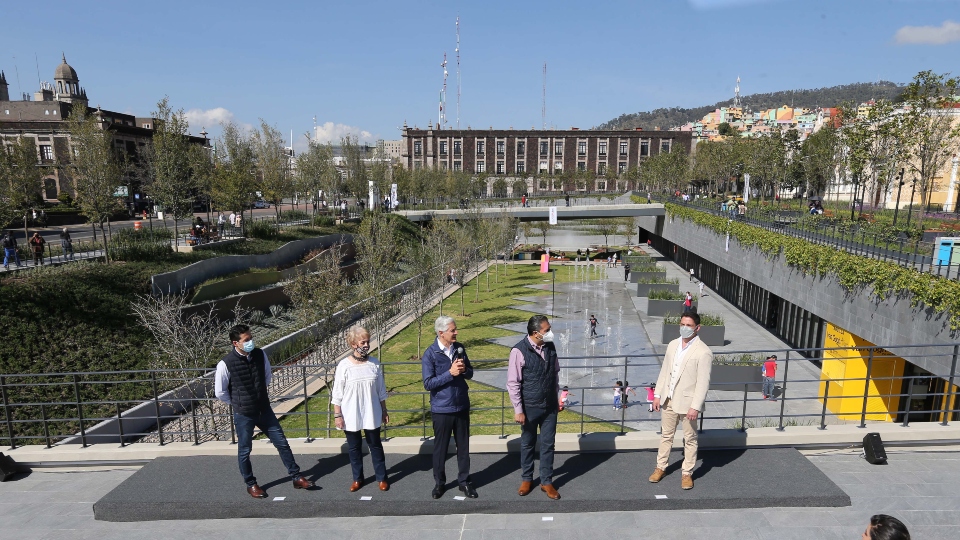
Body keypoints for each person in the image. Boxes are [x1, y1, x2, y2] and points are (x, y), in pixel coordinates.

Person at [214, 324, 315, 498]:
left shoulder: (260, 354)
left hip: (264, 410)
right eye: (246, 340)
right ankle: (251, 484)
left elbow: (267, 376)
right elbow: (220, 392)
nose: (250, 342)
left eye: (251, 338)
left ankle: (297, 477)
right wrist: (237, 403)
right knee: (245, 450)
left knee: (282, 443)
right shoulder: (225, 364)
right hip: (243, 414)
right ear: (235, 343)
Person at [649, 311, 713, 490]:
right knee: (665, 436)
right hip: (668, 400)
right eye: (682, 324)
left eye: (689, 325)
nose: (684, 328)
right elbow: (665, 371)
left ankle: (687, 473)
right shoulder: (672, 345)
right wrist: (657, 394)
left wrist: (695, 406)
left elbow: (703, 383)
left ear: (697, 328)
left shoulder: (703, 352)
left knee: (690, 439)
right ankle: (660, 467)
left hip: (688, 404)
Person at [421, 315, 477, 499]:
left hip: (461, 405)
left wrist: (463, 371)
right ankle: (439, 484)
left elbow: (470, 373)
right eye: (452, 330)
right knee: (440, 449)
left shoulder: (459, 348)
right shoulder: (430, 354)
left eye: (455, 329)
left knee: (464, 448)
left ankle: (464, 482)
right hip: (442, 409)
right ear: (441, 333)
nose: (456, 332)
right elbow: (428, 383)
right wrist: (450, 373)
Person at [507, 315, 562, 500]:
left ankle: (546, 481)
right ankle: (527, 479)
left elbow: (555, 374)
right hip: (529, 407)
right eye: (547, 330)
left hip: (550, 407)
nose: (550, 333)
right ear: (535, 333)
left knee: (548, 445)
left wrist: (557, 398)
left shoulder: (550, 347)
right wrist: (518, 410)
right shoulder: (518, 351)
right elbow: (513, 383)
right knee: (527, 444)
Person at [332, 326, 389, 492]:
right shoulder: (344, 366)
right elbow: (337, 393)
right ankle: (358, 478)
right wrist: (338, 415)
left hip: (372, 412)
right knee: (354, 448)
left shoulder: (374, 364)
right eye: (362, 342)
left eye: (367, 341)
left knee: (375, 445)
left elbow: (381, 390)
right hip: (351, 414)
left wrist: (384, 410)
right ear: (353, 344)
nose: (366, 345)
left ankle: (382, 477)